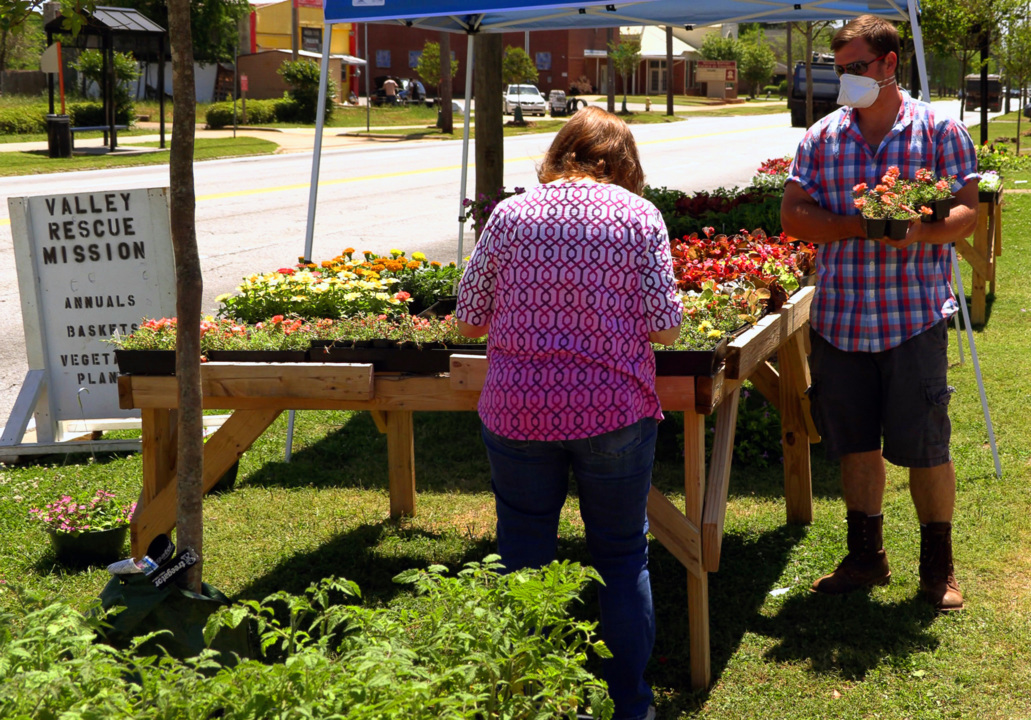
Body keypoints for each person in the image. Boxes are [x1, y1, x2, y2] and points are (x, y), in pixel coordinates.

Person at [456, 106, 682, 720]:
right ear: (623, 163)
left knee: (524, 549)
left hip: (518, 408)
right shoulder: (640, 216)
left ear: (559, 154)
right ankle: (630, 705)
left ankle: (533, 697)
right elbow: (665, 328)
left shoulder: (510, 214)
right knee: (620, 553)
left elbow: (469, 317)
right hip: (612, 410)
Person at [780, 15, 979, 612]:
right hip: (840, 322)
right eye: (839, 70)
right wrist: (855, 227)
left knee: (926, 448)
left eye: (856, 68)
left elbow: (969, 211)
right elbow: (793, 215)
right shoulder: (822, 137)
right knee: (857, 446)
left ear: (890, 65)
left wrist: (916, 232)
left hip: (912, 319)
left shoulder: (940, 133)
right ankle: (866, 557)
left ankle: (937, 569)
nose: (845, 80)